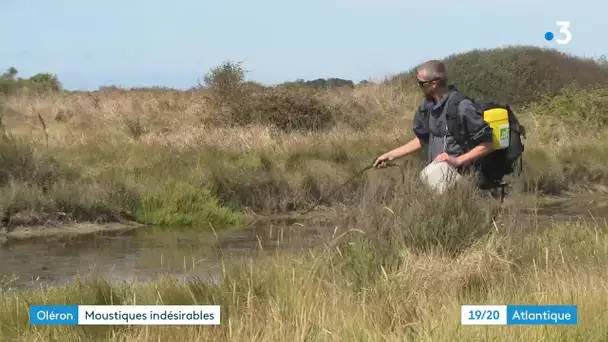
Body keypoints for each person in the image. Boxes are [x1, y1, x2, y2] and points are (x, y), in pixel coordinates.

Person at [373, 60, 495, 188]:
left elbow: (488, 144)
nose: (418, 86)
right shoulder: (427, 108)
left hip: (463, 181)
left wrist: (457, 160)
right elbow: (420, 140)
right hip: (437, 178)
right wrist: (390, 155)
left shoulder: (463, 107)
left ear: (434, 83)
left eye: (421, 83)